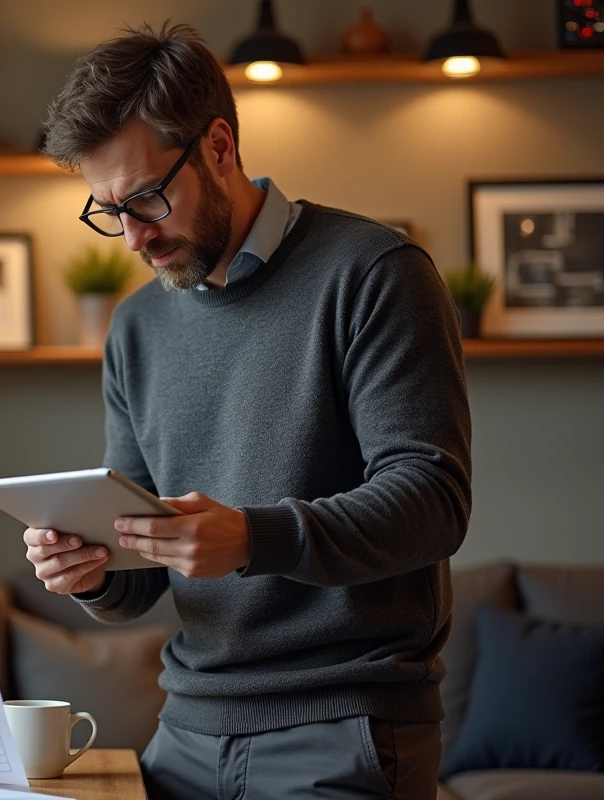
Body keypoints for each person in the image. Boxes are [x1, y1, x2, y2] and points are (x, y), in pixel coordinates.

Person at [26, 22, 471, 800]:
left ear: (220, 147)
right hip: (187, 730)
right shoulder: (136, 326)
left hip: (345, 727)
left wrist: (254, 537)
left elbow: (435, 501)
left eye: (146, 198)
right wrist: (88, 571)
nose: (133, 236)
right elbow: (140, 574)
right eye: (107, 210)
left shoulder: (373, 274)